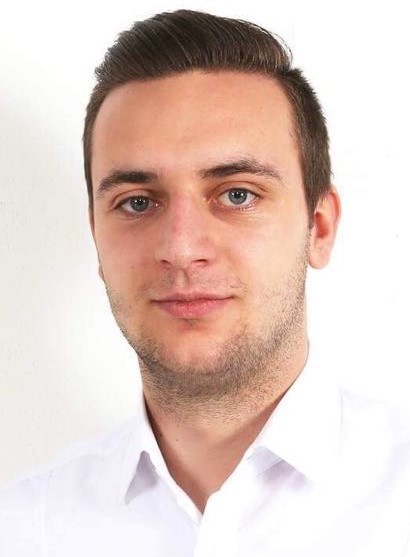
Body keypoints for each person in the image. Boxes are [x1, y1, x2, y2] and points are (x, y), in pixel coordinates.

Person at [1, 9, 409, 556]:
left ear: (319, 226)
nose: (181, 248)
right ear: (97, 237)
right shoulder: (21, 528)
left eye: (238, 194)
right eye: (137, 203)